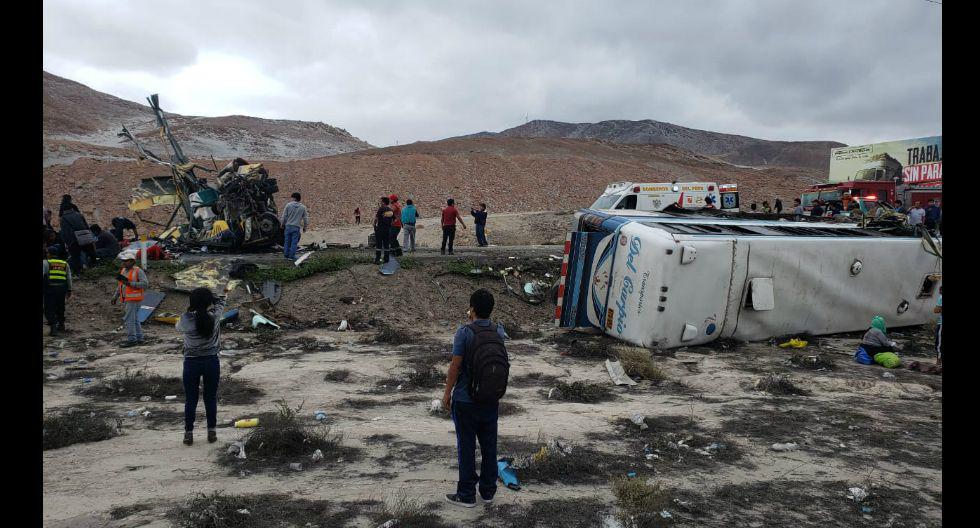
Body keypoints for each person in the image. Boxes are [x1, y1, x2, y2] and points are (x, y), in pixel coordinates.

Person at [443, 288, 508, 508]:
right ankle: (488, 492)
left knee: (467, 447)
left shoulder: (464, 332)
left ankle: (466, 495)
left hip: (465, 400)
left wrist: (446, 394)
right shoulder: (498, 331)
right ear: (491, 310)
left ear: (472, 308)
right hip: (490, 399)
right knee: (490, 447)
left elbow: (455, 366)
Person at [176, 287, 228, 446]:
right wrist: (219, 296)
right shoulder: (215, 316)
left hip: (191, 362)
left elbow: (178, 328)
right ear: (208, 302)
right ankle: (211, 431)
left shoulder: (185, 319)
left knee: (191, 399)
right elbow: (221, 303)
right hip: (211, 361)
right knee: (210, 398)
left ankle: (188, 434)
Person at [112, 250, 148, 347]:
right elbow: (120, 285)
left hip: (134, 299)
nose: (123, 263)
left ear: (132, 261)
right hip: (128, 299)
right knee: (134, 319)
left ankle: (132, 339)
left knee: (129, 319)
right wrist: (115, 296)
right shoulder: (123, 271)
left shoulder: (138, 271)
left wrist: (131, 284)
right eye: (123, 261)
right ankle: (139, 338)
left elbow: (145, 284)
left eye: (126, 261)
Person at [42, 247, 72, 336]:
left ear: (50, 254)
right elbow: (69, 278)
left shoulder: (45, 262)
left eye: (47, 253)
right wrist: (69, 290)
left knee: (49, 308)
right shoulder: (65, 263)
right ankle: (61, 326)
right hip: (62, 289)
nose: (46, 254)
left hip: (50, 289)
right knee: (60, 307)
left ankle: (53, 329)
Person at [59, 204, 98, 273]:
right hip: (85, 236)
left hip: (74, 239)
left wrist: (68, 243)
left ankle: (78, 272)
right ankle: (94, 269)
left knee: (75, 257)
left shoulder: (63, 218)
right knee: (91, 253)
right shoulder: (79, 215)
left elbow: (65, 232)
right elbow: (86, 226)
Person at [280, 192, 309, 261]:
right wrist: (305, 227)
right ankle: (291, 256)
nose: (291, 199)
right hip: (296, 227)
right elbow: (305, 218)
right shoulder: (303, 207)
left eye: (292, 197)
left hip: (288, 226)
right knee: (294, 242)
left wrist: (282, 224)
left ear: (294, 198)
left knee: (287, 241)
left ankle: (286, 255)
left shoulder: (288, 205)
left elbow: (284, 216)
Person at [373, 196, 394, 264]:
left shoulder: (381, 209)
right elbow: (394, 219)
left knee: (379, 245)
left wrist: (374, 225)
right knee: (386, 245)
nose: (380, 202)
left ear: (383, 202)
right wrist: (389, 224)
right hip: (388, 230)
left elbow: (376, 218)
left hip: (380, 229)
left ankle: (378, 259)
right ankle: (386, 259)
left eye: (381, 201)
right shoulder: (390, 210)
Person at [934, 286, 942, 366]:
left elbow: (936, 310)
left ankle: (938, 362)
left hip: (941, 323)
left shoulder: (941, 297)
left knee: (939, 344)